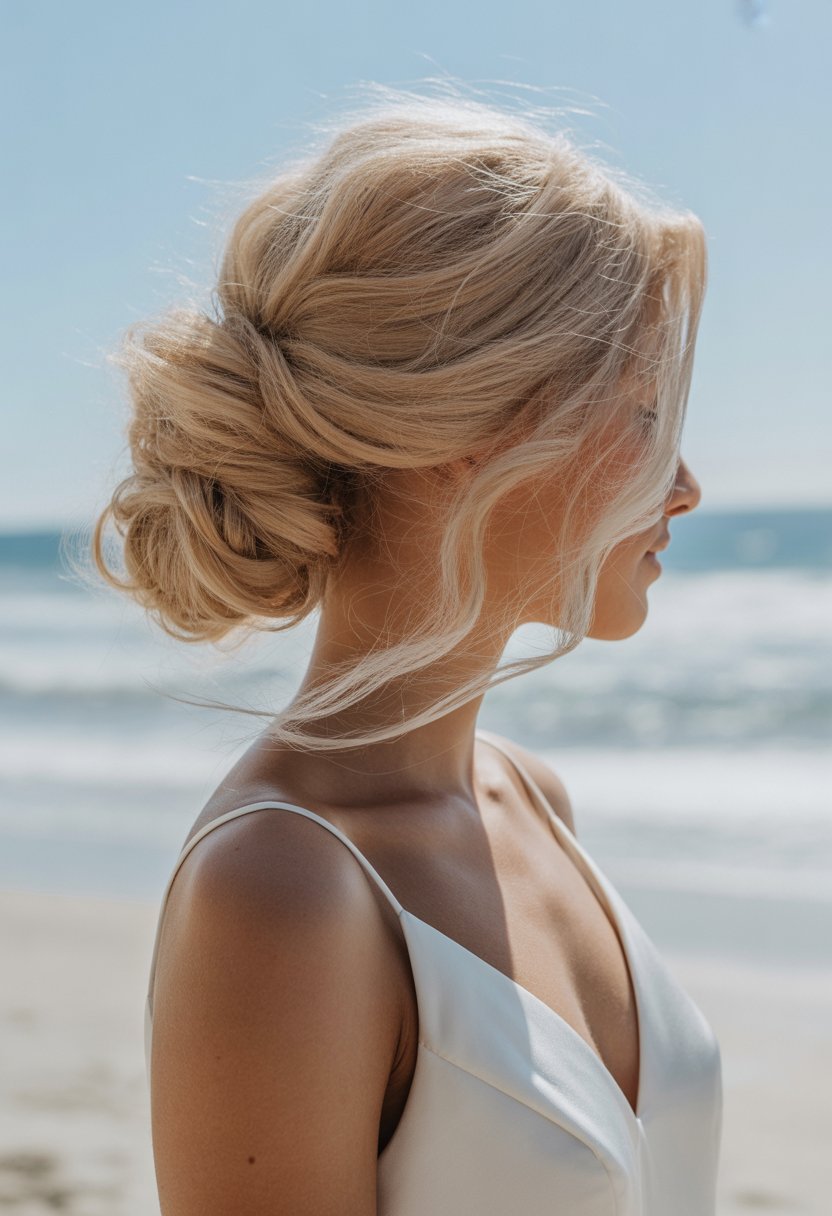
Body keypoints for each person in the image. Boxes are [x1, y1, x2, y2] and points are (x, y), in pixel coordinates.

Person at [91, 89, 722, 1214]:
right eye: (641, 415)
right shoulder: (282, 890)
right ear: (467, 437)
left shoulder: (531, 799)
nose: (682, 483)